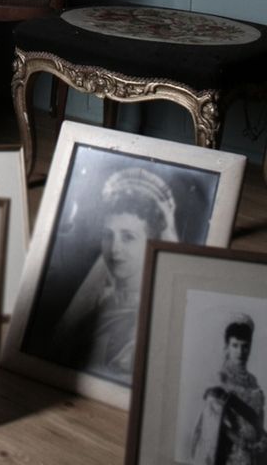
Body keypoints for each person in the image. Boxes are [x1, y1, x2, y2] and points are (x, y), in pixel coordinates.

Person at [49, 167, 178, 383]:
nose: (114, 249)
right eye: (108, 236)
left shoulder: (148, 320)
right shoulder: (99, 304)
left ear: (152, 243)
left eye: (128, 237)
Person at [191, 315, 267, 465]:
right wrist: (243, 444)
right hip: (229, 456)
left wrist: (263, 439)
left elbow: (258, 420)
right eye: (235, 345)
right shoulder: (219, 380)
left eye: (245, 346)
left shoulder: (254, 383)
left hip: (255, 458)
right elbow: (213, 427)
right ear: (227, 347)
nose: (240, 352)